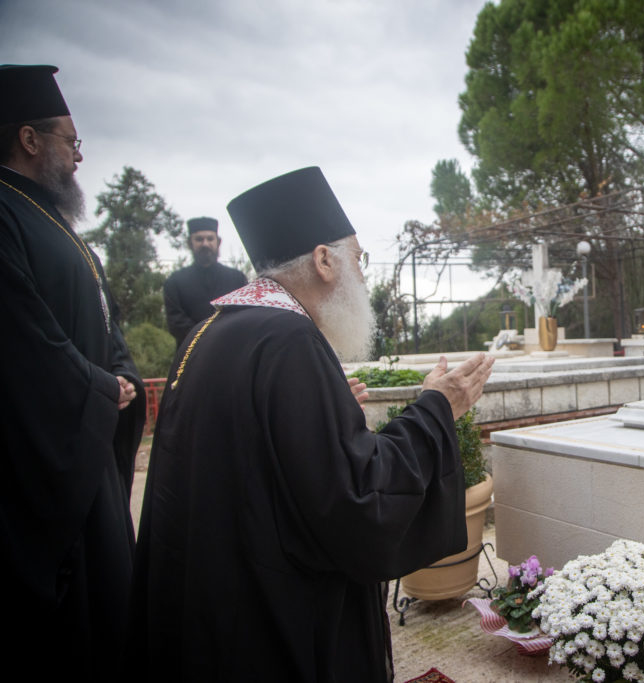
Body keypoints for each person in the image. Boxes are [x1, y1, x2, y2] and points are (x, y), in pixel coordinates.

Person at [126, 166, 495, 682]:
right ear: (324, 260)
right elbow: (356, 497)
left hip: (210, 606)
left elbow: (252, 450)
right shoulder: (289, 339)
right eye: (358, 259)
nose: (362, 275)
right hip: (272, 624)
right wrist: (440, 405)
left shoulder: (211, 330)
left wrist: (323, 407)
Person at [0, 64, 146, 680]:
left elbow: (103, 320)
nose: (79, 157)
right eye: (71, 141)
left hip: (89, 455)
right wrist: (93, 387)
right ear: (30, 139)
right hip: (45, 463)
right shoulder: (7, 217)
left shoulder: (55, 222)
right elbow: (23, 340)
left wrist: (122, 373)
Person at [163, 216, 247, 348]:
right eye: (199, 239)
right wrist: (207, 339)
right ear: (190, 243)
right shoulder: (175, 281)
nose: (205, 244)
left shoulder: (237, 279)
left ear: (218, 242)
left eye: (210, 238)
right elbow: (176, 324)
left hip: (230, 350)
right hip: (190, 355)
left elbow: (245, 317)